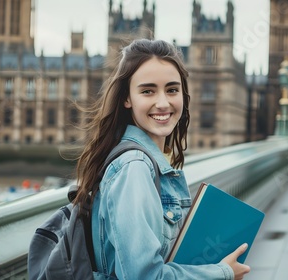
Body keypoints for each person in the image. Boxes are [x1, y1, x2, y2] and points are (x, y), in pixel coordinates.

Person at [72, 39, 251, 279]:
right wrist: (221, 272)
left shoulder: (144, 162)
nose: (163, 103)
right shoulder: (134, 168)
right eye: (148, 91)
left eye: (172, 90)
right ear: (127, 98)